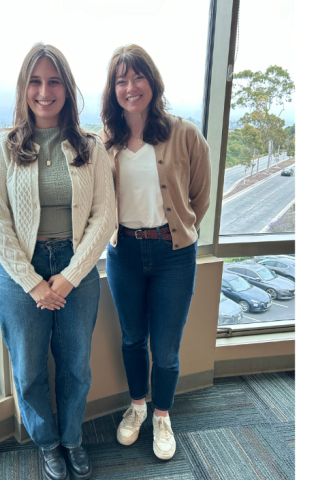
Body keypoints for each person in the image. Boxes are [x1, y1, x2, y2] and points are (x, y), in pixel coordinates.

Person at [0, 43, 115, 480]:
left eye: (54, 81)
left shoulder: (90, 146)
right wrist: (35, 283)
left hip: (77, 268)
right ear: (24, 89)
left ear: (67, 89)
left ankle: (72, 437)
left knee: (76, 365)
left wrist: (71, 276)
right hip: (21, 272)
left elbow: (104, 215)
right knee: (29, 368)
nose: (44, 91)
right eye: (35, 81)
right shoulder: (2, 147)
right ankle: (47, 443)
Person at [98, 44, 212, 461]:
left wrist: (179, 229)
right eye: (121, 80)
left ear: (152, 81)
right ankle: (137, 407)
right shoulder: (104, 142)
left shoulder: (184, 133)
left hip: (173, 254)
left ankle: (162, 415)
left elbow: (199, 196)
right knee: (132, 339)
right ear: (113, 90)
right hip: (123, 252)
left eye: (137, 76)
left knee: (165, 347)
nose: (130, 87)